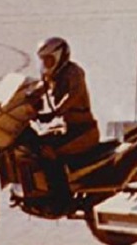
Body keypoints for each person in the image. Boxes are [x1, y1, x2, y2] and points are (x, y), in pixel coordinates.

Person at [30, 37, 100, 192]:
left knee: (49, 152)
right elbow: (38, 89)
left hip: (83, 132)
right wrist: (21, 100)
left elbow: (72, 96)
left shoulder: (74, 73)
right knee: (35, 145)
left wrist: (54, 112)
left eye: (48, 59)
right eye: (43, 60)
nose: (45, 64)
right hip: (67, 129)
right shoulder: (53, 75)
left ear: (59, 56)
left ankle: (60, 196)